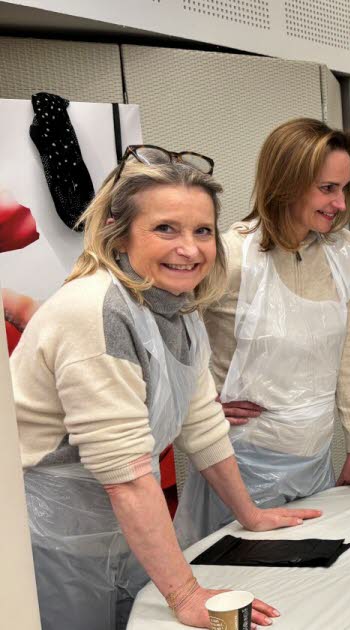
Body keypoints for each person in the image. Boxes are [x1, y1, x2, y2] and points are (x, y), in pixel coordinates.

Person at [12, 149, 320, 630]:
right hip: (50, 541)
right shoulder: (96, 312)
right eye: (165, 229)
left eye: (201, 231)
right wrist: (186, 594)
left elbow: (202, 425)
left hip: (122, 529)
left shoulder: (177, 307)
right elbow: (127, 476)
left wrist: (251, 514)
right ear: (120, 233)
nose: (190, 249)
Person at [174, 119, 350, 548]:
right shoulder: (230, 255)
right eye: (327, 189)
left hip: (316, 457)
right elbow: (165, 338)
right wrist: (199, 403)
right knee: (245, 587)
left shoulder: (346, 253)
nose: (340, 204)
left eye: (344, 188)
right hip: (239, 465)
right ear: (287, 183)